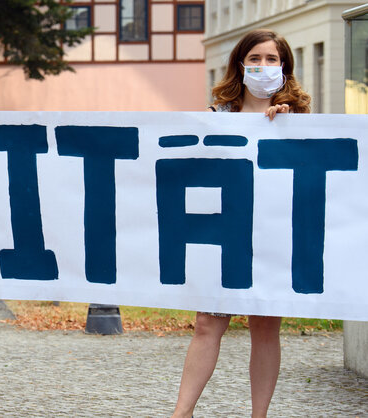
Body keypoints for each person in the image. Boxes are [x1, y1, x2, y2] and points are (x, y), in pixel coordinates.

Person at [172, 29, 311, 418]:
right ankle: (181, 413)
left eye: (271, 59)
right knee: (206, 324)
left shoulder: (299, 120)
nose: (262, 66)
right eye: (255, 58)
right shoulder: (215, 118)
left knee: (264, 327)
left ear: (284, 67)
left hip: (272, 236)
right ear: (240, 64)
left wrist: (288, 126)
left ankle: (259, 415)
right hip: (223, 235)